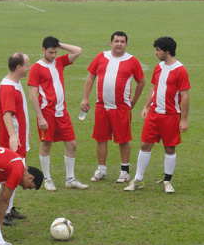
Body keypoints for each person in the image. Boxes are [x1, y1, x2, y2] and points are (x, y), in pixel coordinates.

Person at [124, 36, 190, 193]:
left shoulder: (180, 70)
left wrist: (184, 120)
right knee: (145, 145)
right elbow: (154, 88)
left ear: (167, 51)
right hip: (154, 114)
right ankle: (138, 179)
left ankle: (167, 181)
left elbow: (185, 96)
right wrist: (146, 106)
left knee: (170, 148)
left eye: (158, 50)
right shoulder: (158, 67)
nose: (155, 53)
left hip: (171, 115)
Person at [81, 31, 146, 184]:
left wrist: (133, 102)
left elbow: (141, 82)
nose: (119, 44)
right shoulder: (101, 57)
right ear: (111, 43)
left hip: (121, 108)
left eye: (122, 41)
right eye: (116, 41)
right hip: (101, 106)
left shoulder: (132, 61)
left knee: (123, 140)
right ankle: (101, 170)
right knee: (101, 139)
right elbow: (91, 76)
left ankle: (124, 171)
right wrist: (85, 98)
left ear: (126, 44)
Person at [28, 36, 88, 191]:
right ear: (43, 50)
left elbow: (78, 51)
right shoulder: (36, 68)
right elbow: (32, 94)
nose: (54, 55)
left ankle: (70, 179)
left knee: (72, 144)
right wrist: (40, 117)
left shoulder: (59, 62)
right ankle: (48, 179)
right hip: (47, 113)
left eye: (55, 52)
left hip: (62, 112)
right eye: (50, 52)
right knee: (46, 144)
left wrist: (59, 45)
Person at [0, 52, 31, 226]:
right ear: (18, 67)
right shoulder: (8, 87)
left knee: (16, 173)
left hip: (20, 138)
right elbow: (7, 114)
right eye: (27, 65)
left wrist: (26, 132)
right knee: (10, 175)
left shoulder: (15, 83)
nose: (29, 68)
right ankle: (3, 212)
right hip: (13, 141)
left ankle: (8, 208)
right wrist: (13, 135)